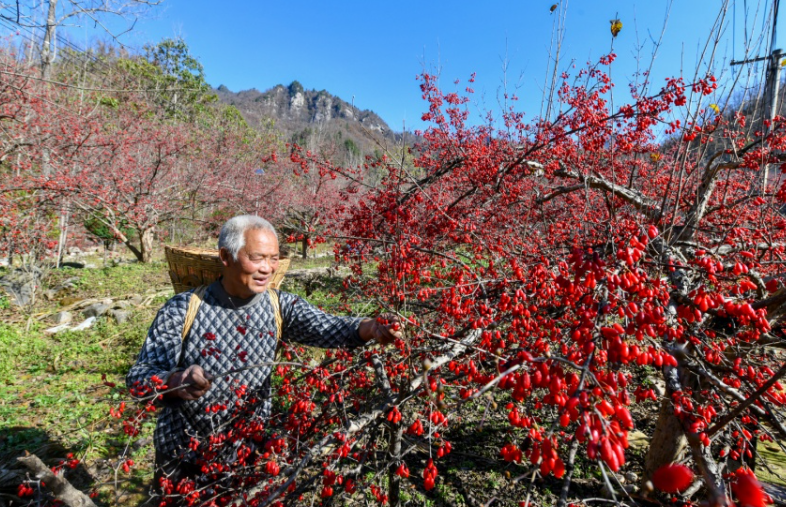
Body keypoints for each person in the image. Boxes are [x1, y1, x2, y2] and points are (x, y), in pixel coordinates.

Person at [126, 215, 401, 502]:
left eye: (273, 258)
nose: (267, 268)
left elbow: (328, 328)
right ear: (225, 256)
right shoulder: (183, 309)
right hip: (182, 456)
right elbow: (139, 378)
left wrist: (371, 328)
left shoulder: (279, 306)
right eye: (257, 258)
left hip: (247, 454)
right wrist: (174, 381)